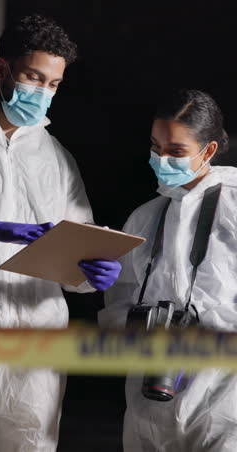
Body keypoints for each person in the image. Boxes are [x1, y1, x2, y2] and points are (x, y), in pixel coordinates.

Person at [0, 14, 121, 451]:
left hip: (36, 339)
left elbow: (79, 235)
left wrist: (94, 269)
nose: (42, 92)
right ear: (2, 69)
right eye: (33, 77)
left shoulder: (56, 158)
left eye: (53, 84)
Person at [98, 89, 237, 452]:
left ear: (208, 151)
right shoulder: (145, 217)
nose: (162, 159)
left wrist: (204, 322)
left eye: (175, 151)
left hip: (224, 393)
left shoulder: (234, 206)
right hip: (150, 397)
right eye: (156, 147)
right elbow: (120, 302)